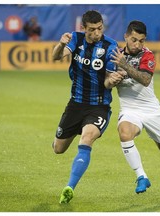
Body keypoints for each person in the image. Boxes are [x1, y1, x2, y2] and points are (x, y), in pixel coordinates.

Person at [107, 20, 160, 200]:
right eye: (134, 39)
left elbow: (145, 79)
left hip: (151, 110)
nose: (138, 44)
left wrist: (125, 66)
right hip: (130, 109)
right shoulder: (114, 56)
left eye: (141, 40)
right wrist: (111, 80)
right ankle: (141, 176)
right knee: (124, 133)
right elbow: (106, 81)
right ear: (125, 36)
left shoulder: (147, 55)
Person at [52, 10, 124, 204]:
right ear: (83, 28)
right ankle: (73, 129)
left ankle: (69, 187)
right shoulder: (76, 38)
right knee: (58, 149)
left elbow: (108, 82)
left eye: (100, 28)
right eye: (92, 30)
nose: (97, 33)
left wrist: (113, 80)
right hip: (75, 104)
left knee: (87, 138)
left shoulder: (110, 46)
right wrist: (60, 44)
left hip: (98, 106)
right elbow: (56, 57)